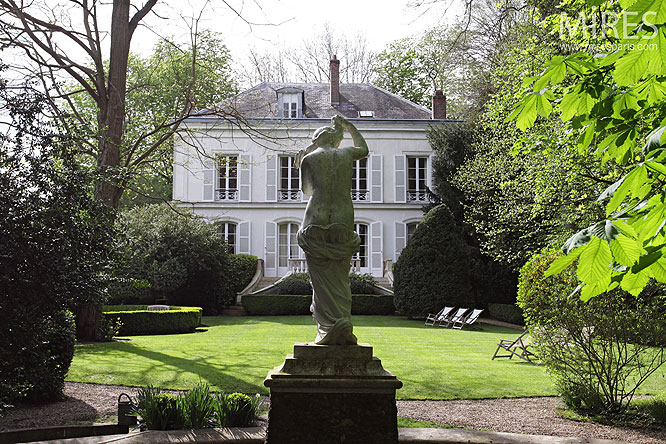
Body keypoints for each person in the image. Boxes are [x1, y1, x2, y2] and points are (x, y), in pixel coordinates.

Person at [296, 115, 369, 345]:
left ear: (317, 140)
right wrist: (349, 126)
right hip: (343, 216)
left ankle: (327, 328)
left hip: (315, 218)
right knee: (340, 277)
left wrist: (305, 157)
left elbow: (307, 190)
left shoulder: (310, 158)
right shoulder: (347, 154)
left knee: (320, 281)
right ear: (337, 139)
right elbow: (363, 148)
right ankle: (342, 323)